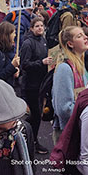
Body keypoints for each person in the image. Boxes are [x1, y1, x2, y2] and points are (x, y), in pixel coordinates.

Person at [18, 17, 51, 155]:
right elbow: (24, 65)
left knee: (37, 114)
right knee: (35, 115)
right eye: (37, 26)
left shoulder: (43, 40)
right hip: (30, 85)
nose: (40, 28)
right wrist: (41, 63)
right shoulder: (28, 43)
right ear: (31, 28)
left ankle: (25, 136)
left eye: (41, 25)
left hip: (41, 83)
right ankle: (30, 140)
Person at [52, 26, 88, 143]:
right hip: (69, 132)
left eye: (84, 34)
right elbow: (64, 109)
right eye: (79, 36)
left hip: (80, 127)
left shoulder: (80, 64)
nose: (85, 37)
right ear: (70, 44)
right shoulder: (64, 68)